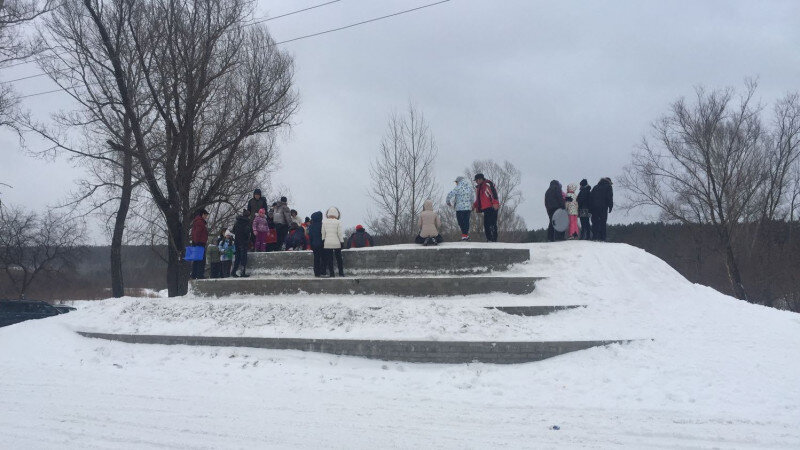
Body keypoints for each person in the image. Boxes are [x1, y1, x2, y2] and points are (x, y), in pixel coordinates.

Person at [473, 173, 500, 242]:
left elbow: (494, 194)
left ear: (480, 179)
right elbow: (478, 200)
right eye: (476, 181)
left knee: (492, 223)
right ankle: (489, 239)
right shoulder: (479, 188)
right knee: (486, 224)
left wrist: (495, 203)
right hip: (485, 208)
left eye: (476, 180)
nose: (476, 182)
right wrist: (474, 205)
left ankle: (494, 239)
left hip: (492, 207)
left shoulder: (487, 185)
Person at [446, 176, 473, 241]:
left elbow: (450, 194)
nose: (456, 183)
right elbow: (473, 196)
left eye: (456, 182)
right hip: (468, 208)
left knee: (460, 222)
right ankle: (465, 235)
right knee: (466, 222)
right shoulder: (469, 188)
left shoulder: (458, 188)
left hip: (460, 209)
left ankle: (464, 235)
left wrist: (448, 201)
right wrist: (472, 204)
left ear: (459, 181)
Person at [321, 206, 345, 277]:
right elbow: (340, 234)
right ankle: (341, 273)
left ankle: (332, 273)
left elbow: (323, 234)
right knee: (339, 258)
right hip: (336, 243)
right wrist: (342, 242)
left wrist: (323, 241)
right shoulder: (338, 222)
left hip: (327, 243)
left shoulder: (324, 222)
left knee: (330, 259)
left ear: (328, 214)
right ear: (336, 214)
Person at [590, 177, 614, 242]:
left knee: (595, 222)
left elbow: (591, 197)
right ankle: (603, 237)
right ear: (609, 182)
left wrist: (591, 208)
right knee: (603, 222)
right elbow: (609, 197)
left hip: (594, 207)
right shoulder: (608, 187)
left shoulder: (595, 187)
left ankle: (595, 236)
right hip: (603, 207)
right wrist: (610, 206)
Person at [190, 209, 209, 279]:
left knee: (196, 259)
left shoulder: (197, 221)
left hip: (197, 242)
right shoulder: (200, 222)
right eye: (206, 215)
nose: (206, 217)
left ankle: (194, 275)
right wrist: (197, 242)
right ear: (202, 214)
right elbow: (197, 233)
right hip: (199, 243)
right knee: (201, 260)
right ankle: (199, 275)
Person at [231, 209, 251, 277]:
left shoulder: (237, 222)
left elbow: (233, 230)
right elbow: (247, 232)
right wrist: (247, 239)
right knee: (243, 257)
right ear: (248, 216)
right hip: (243, 242)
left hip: (237, 241)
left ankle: (233, 272)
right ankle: (243, 272)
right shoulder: (247, 222)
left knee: (237, 257)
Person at [308, 211, 324, 276]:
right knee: (323, 258)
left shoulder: (311, 226)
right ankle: (323, 271)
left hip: (314, 244)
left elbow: (310, 236)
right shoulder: (322, 225)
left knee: (316, 258)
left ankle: (316, 272)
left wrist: (311, 244)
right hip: (322, 244)